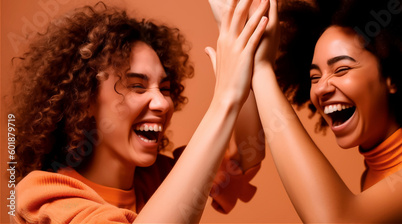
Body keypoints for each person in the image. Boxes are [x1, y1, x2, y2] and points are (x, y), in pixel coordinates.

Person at [209, 0, 402, 222]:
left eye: (342, 68)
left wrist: (261, 68)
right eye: (314, 76)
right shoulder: (370, 175)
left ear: (392, 77)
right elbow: (248, 157)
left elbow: (339, 219)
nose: (322, 88)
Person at [11, 1, 269, 223]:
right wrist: (224, 100)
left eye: (165, 88)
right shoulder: (44, 196)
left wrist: (236, 29)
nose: (162, 103)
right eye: (137, 86)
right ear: (85, 97)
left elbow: (243, 156)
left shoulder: (160, 176)